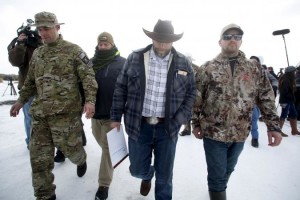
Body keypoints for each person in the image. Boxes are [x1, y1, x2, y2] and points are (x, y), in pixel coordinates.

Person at [9, 11, 98, 200]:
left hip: (66, 114)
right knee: (39, 160)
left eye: (47, 29)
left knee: (72, 151)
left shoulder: (73, 50)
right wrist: (20, 101)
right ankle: (45, 195)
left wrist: (90, 101)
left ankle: (80, 159)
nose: (43, 33)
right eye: (40, 29)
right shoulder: (38, 53)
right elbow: (30, 83)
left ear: (57, 28)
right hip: (40, 115)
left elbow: (88, 77)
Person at [192, 23, 282, 200]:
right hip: (213, 133)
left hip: (240, 133)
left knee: (228, 169)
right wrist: (195, 123)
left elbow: (265, 97)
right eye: (227, 37)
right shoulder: (208, 68)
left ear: (241, 41)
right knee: (217, 175)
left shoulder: (254, 68)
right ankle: (217, 191)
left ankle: (217, 189)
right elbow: (196, 98)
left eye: (236, 37)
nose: (232, 39)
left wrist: (273, 126)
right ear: (220, 42)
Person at [110, 19, 196, 200]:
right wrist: (116, 116)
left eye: (167, 39)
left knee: (165, 177)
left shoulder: (183, 63)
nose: (162, 43)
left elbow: (191, 94)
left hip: (168, 128)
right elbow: (120, 88)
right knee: (136, 170)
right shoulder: (135, 57)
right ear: (152, 38)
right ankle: (147, 176)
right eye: (158, 38)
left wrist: (180, 119)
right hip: (139, 125)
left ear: (173, 40)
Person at [91, 32, 126, 200]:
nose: (103, 47)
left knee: (107, 147)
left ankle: (103, 185)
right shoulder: (91, 63)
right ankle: (111, 157)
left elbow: (129, 87)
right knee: (100, 140)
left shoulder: (122, 63)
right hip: (95, 113)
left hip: (113, 115)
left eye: (106, 44)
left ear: (112, 44)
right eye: (101, 44)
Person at [8, 26, 42, 149]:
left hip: (46, 89)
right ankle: (31, 143)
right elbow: (15, 61)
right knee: (30, 118)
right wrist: (21, 43)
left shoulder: (41, 43)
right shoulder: (20, 45)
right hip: (28, 90)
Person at [278, 66, 300, 136]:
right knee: (283, 115)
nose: (295, 73)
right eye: (294, 71)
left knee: (294, 114)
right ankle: (278, 131)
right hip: (285, 101)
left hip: (289, 101)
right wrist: (292, 97)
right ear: (291, 72)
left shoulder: (289, 79)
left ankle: (294, 130)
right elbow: (284, 92)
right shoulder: (286, 80)